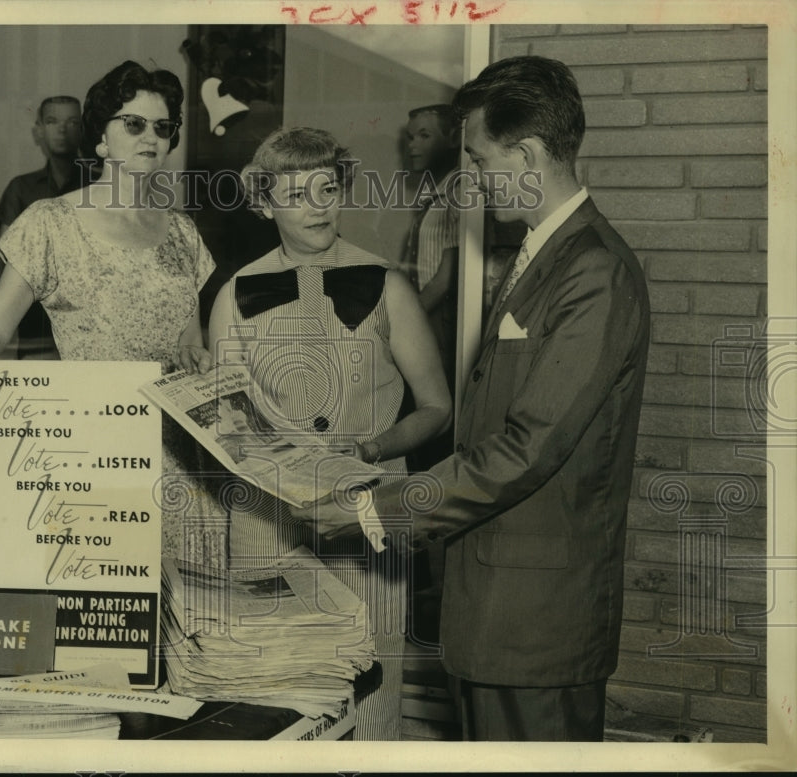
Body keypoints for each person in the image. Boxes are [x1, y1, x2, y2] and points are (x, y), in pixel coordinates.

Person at [297, 56, 651, 742]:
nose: (476, 182)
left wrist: (373, 507)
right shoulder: (543, 255)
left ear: (527, 154)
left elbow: (524, 449)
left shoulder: (593, 273)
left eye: (483, 163)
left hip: (535, 628)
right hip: (496, 613)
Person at [208, 127, 452, 740]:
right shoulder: (235, 295)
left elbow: (437, 408)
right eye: (296, 194)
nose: (317, 205)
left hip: (366, 516)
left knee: (371, 697)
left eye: (328, 188)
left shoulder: (386, 284)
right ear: (264, 205)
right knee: (277, 700)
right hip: (268, 523)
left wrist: (370, 448)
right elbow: (224, 422)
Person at [0, 60, 220, 564]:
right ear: (101, 140)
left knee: (188, 628)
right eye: (133, 123)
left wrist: (201, 360)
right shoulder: (51, 221)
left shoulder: (182, 231)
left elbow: (190, 342)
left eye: (162, 126)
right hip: (96, 453)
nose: (149, 136)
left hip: (186, 465)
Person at [0, 95, 84, 360]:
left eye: (73, 122)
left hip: (89, 320)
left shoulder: (100, 186)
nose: (63, 130)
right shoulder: (21, 188)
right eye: (53, 121)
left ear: (84, 128)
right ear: (39, 130)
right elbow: (3, 257)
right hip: (35, 322)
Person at [401, 104, 462, 470]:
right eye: (410, 136)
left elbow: (447, 278)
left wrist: (403, 318)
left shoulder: (459, 190)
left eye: (425, 135)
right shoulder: (438, 190)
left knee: (434, 409)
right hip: (426, 315)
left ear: (454, 138)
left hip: (440, 319)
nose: (412, 145)